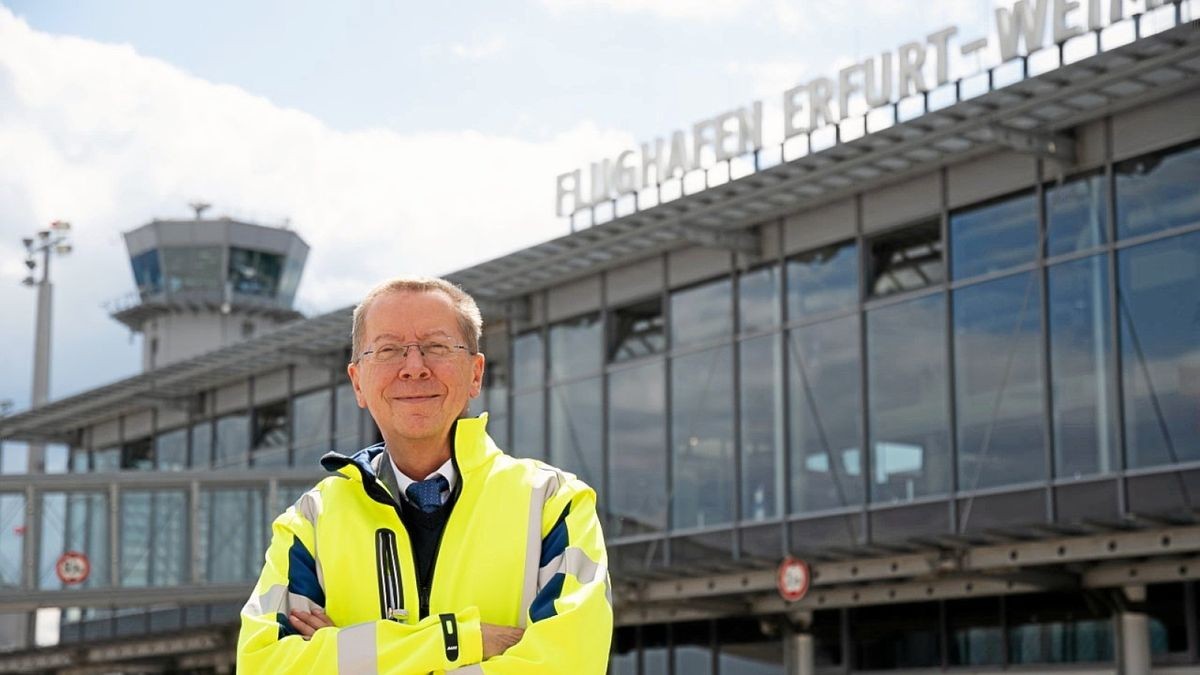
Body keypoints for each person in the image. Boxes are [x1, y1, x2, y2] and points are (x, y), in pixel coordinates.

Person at [236, 276, 612, 673]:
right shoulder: (310, 521)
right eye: (388, 350)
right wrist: (460, 640)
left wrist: (350, 656)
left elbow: (571, 663)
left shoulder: (553, 503)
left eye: (436, 347)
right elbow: (262, 665)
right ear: (357, 382)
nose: (414, 368)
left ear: (475, 374)